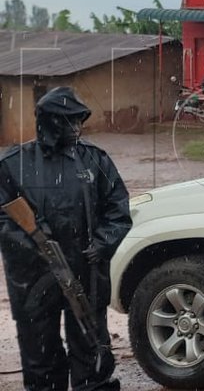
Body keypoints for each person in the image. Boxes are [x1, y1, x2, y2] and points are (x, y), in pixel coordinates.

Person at [0, 86, 131, 391]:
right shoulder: (15, 163)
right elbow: (4, 218)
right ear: (49, 122)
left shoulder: (94, 160)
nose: (76, 128)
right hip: (32, 279)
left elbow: (118, 209)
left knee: (92, 350)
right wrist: (33, 242)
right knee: (40, 354)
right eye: (68, 121)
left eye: (78, 121)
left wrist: (103, 242)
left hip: (86, 274)